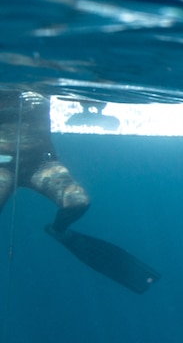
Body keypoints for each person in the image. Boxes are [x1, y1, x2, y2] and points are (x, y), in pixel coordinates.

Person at [0, 89, 159, 294]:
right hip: (2, 165)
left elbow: (90, 98)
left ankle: (58, 230)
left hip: (41, 163)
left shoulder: (43, 83)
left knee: (78, 202)